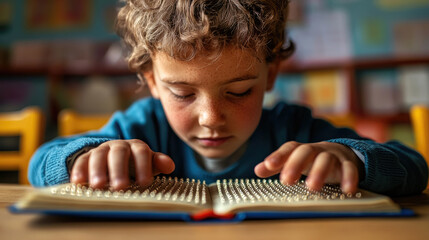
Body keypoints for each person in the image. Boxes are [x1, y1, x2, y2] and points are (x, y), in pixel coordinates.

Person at [28, 0, 427, 196]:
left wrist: (353, 158)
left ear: (270, 74)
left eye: (239, 92)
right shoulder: (139, 128)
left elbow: (413, 168)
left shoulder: (295, 130)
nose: (211, 117)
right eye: (182, 93)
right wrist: (81, 158)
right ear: (152, 80)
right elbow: (40, 164)